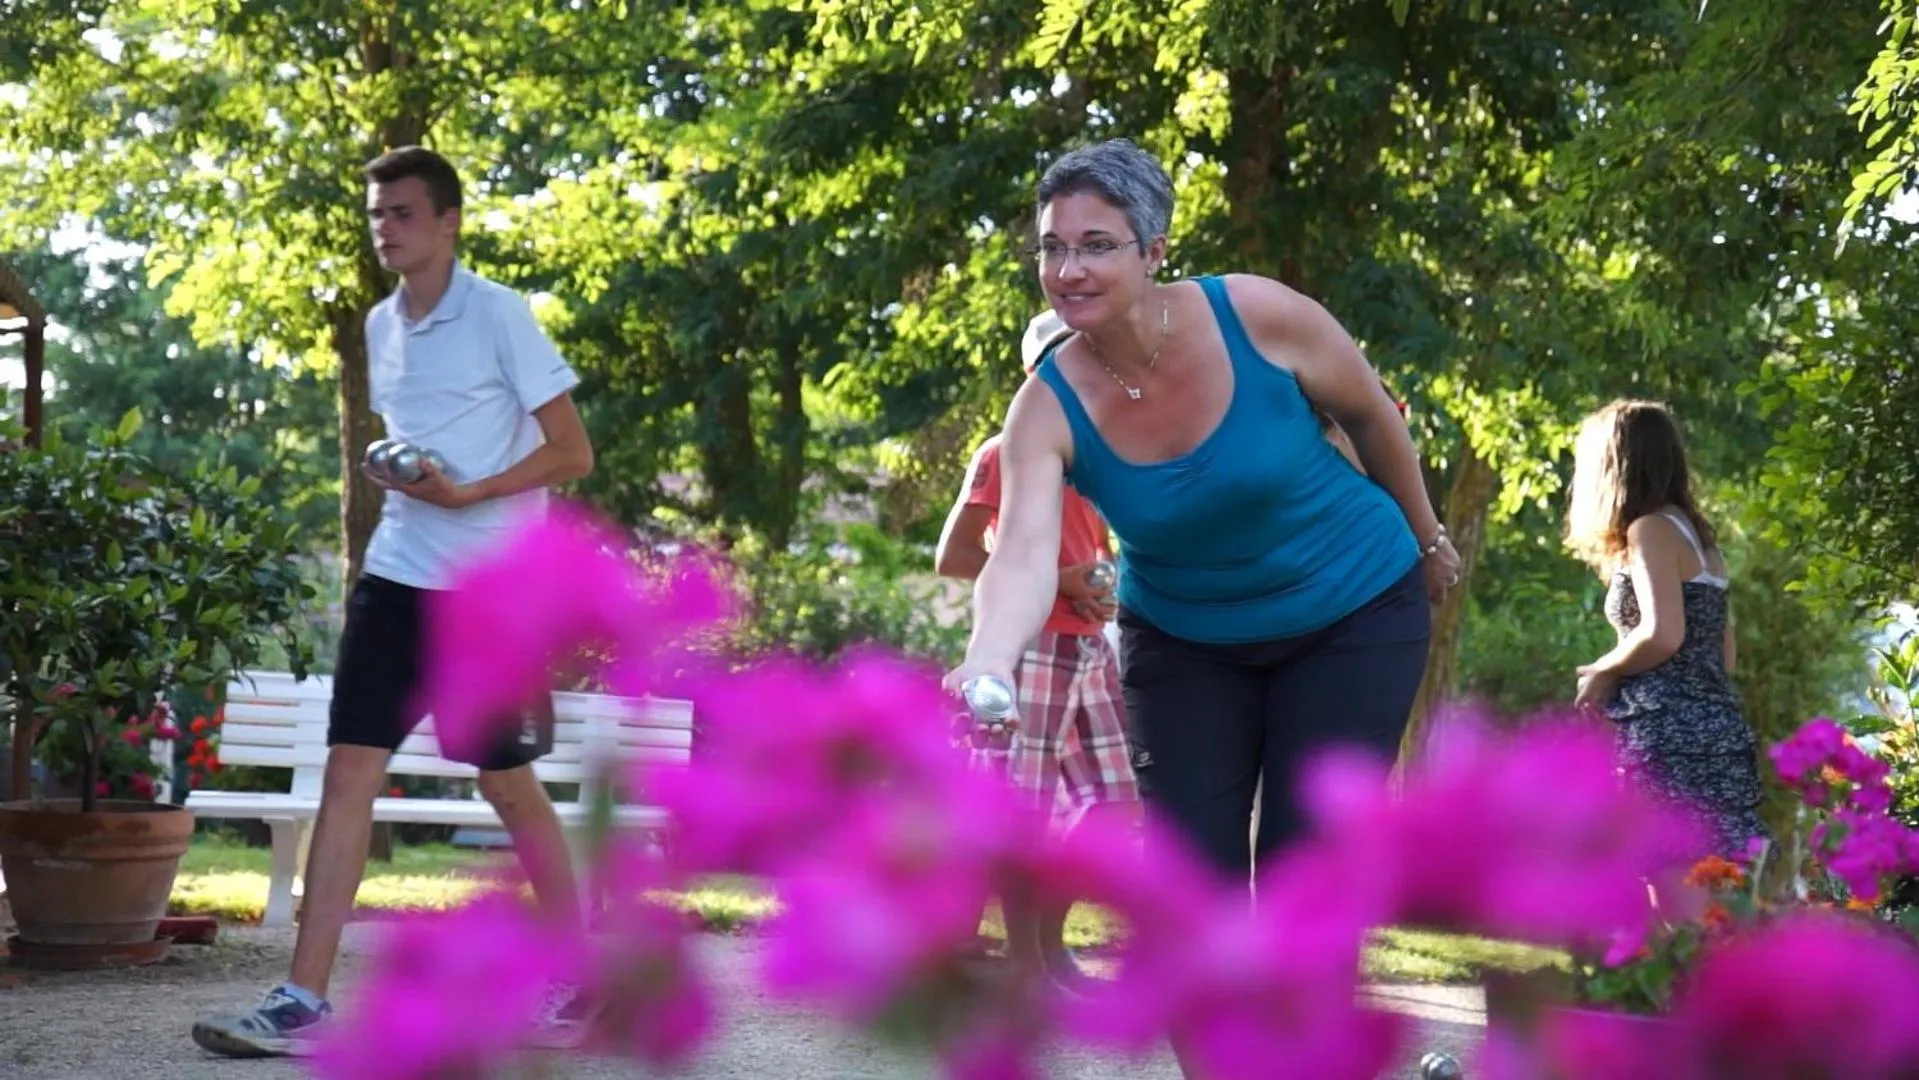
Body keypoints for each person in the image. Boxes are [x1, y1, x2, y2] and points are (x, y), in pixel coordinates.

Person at [943, 137, 1460, 890]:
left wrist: (1426, 537)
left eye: (1095, 246)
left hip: (1352, 611)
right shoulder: (1044, 408)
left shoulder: (1256, 314)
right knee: (1190, 880)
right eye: (1051, 248)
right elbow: (1021, 551)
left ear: (1153, 250)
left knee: (1305, 868)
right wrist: (989, 655)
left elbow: (1374, 417)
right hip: (1185, 640)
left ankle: (1300, 1008)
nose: (1067, 270)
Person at [192, 145, 598, 1058]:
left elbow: (573, 453)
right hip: (396, 572)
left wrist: (471, 491)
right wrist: (397, 466)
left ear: (449, 221)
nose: (387, 228)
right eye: (378, 214)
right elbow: (415, 436)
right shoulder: (379, 326)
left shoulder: (500, 315)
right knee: (349, 771)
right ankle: (302, 998)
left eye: (404, 213)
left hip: (487, 591)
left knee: (503, 782)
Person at [936, 310, 1142, 987]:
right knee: (1018, 813)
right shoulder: (1002, 451)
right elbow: (954, 556)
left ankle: (1047, 947)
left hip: (1087, 650)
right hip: (1025, 650)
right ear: (1034, 371)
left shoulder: (1105, 457)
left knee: (1116, 804)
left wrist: (1097, 593)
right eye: (1058, 356)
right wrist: (1059, 582)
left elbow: (1093, 552)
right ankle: (1025, 966)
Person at [1566, 399, 1767, 857]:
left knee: (1673, 899)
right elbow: (1724, 656)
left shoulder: (1649, 530)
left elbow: (1663, 633)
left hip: (1666, 735)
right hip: (1716, 731)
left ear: (1616, 465)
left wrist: (1604, 671)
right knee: (1716, 896)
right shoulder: (1702, 541)